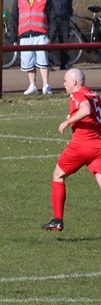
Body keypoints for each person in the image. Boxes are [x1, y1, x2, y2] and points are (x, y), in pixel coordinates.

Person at [42, 68, 101, 232]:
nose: (63, 84)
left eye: (65, 81)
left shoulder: (77, 95)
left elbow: (86, 110)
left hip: (81, 146)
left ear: (74, 82)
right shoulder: (94, 95)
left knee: (58, 176)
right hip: (98, 146)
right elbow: (93, 116)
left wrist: (67, 122)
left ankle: (57, 220)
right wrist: (74, 118)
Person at [11, 0, 54, 95]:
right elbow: (14, 17)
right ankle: (32, 85)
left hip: (41, 34)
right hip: (25, 35)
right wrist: (13, 37)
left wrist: (51, 37)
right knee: (28, 62)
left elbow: (52, 17)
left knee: (43, 61)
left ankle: (46, 85)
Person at [43, 0, 74, 70]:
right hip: (53, 19)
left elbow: (69, 0)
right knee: (50, 40)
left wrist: (69, 13)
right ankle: (45, 63)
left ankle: (64, 64)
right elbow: (44, 3)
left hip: (64, 18)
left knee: (65, 42)